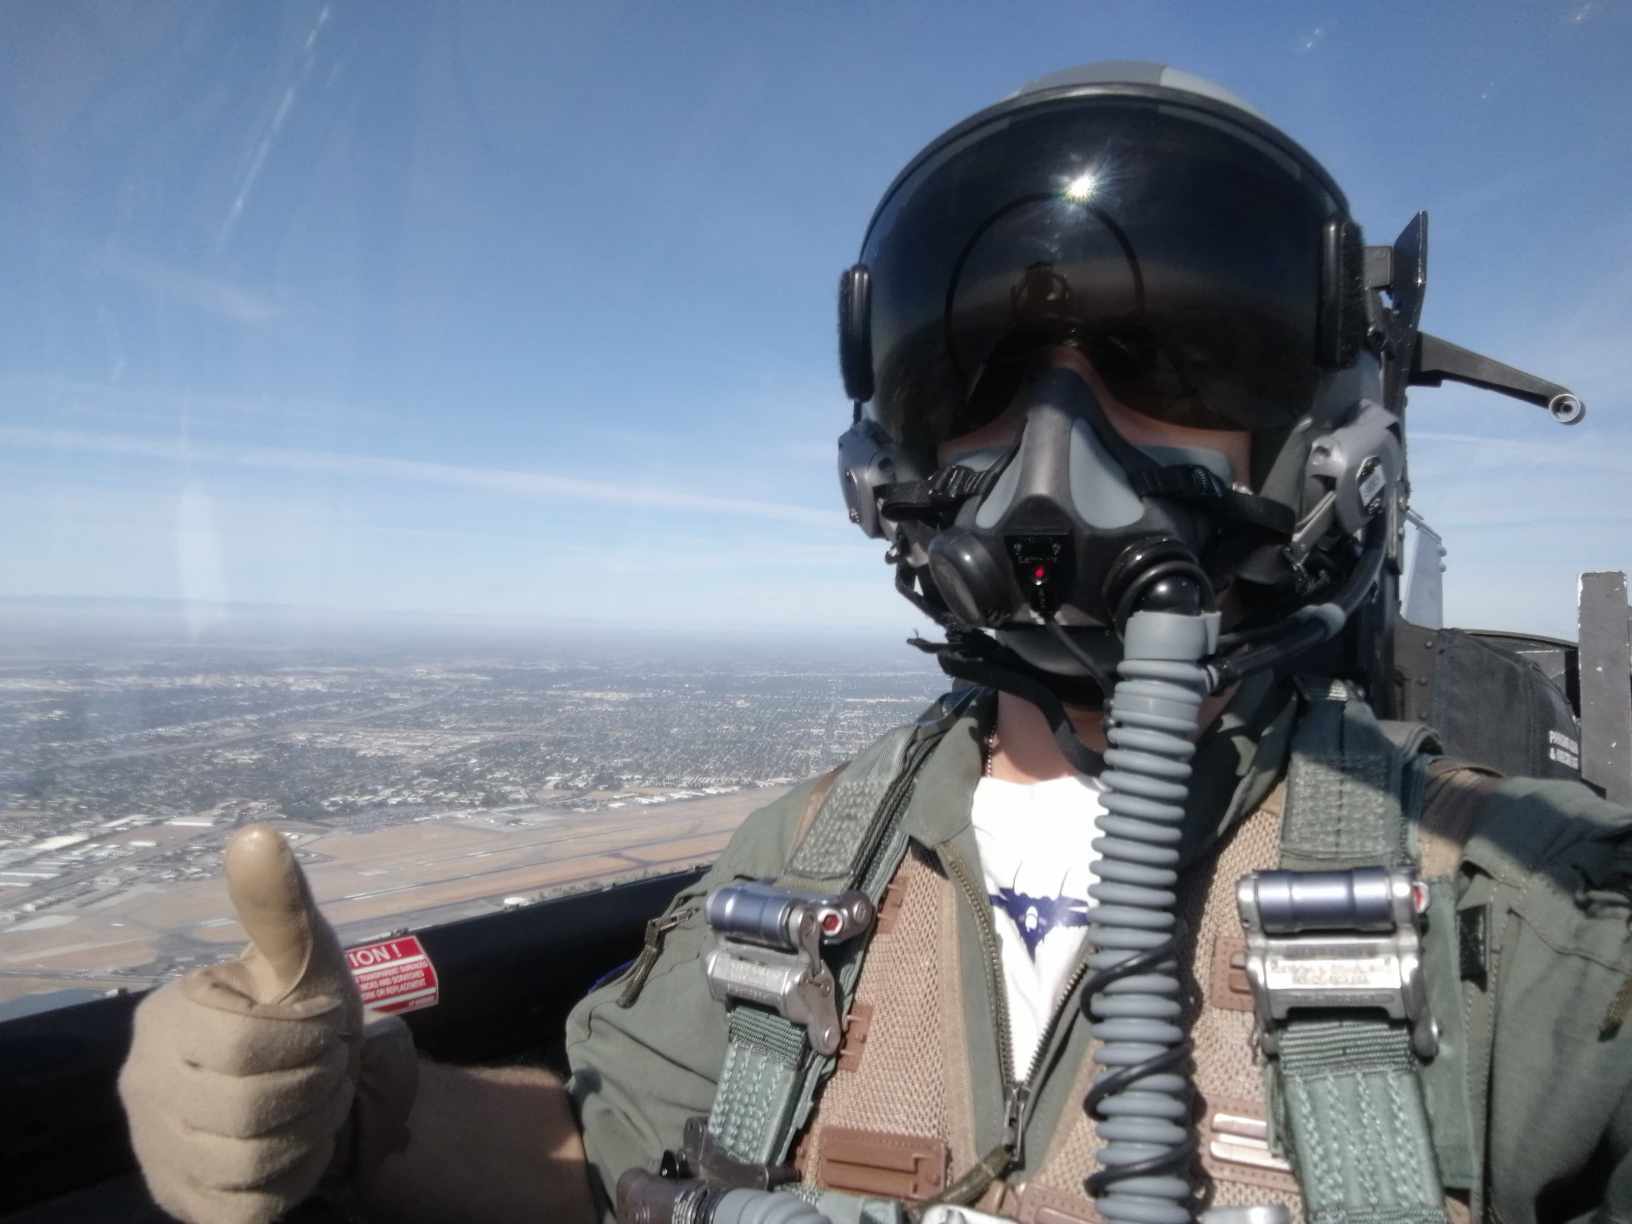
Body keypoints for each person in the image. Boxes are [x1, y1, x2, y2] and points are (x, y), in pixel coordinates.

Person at [116, 64, 1632, 1224]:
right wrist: (365, 1111)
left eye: (1172, 362)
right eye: (976, 375)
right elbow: (603, 1156)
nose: (1055, 448)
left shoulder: (1525, 924)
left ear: (1321, 438)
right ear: (895, 453)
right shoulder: (807, 862)